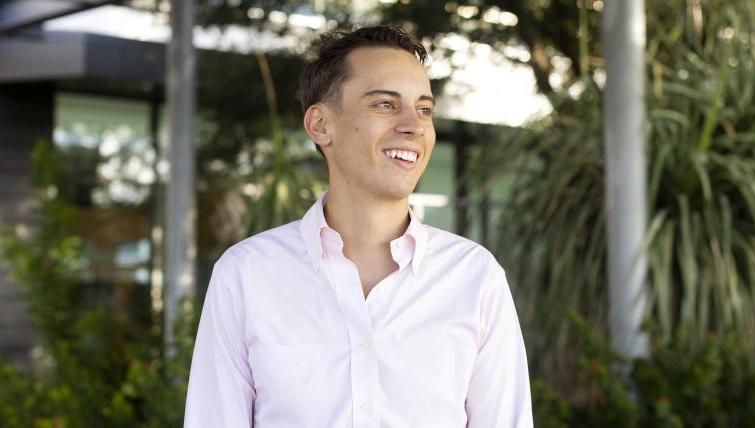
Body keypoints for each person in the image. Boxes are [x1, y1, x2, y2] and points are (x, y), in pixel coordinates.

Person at [184, 25, 533, 427]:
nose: (414, 126)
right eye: (385, 104)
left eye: (424, 109)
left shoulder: (475, 276)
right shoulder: (246, 274)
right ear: (320, 125)